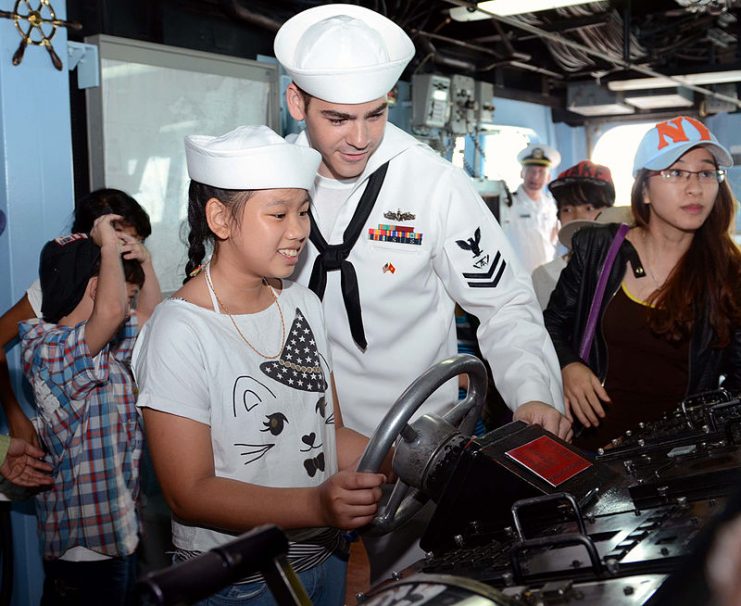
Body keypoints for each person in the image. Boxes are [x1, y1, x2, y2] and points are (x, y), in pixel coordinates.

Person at [274, 3, 570, 581]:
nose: (359, 139)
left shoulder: (433, 184)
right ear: (296, 102)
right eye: (337, 119)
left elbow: (504, 303)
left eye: (375, 116)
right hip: (300, 448)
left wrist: (533, 392)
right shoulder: (270, 179)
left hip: (416, 452)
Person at [132, 125, 387, 606]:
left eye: (304, 211)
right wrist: (314, 504)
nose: (299, 230)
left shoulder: (302, 305)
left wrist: (406, 455)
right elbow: (189, 492)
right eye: (278, 214)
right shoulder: (179, 332)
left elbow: (328, 432)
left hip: (322, 556)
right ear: (220, 220)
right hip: (240, 580)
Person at [544, 116, 741, 452]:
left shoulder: (728, 272)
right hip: (587, 449)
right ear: (645, 189)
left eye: (706, 173)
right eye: (676, 172)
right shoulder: (598, 248)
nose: (695, 188)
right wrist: (568, 365)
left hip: (674, 462)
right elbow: (551, 324)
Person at [19, 215, 151, 605]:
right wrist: (108, 247)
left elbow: (151, 322)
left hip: (119, 537)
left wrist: (144, 262)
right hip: (85, 553)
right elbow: (110, 313)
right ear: (95, 286)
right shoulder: (45, 347)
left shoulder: (104, 352)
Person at [0, 188, 159, 448]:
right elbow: (110, 313)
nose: (128, 254)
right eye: (121, 243)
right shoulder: (56, 289)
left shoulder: (124, 285)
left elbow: (144, 317)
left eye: (136, 243)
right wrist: (14, 413)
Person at [531, 160, 619, 309]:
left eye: (589, 208)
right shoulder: (542, 276)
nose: (578, 217)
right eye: (567, 209)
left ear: (610, 211)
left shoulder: (628, 269)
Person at [500, 143, 561, 272]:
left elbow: (554, 238)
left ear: (548, 177)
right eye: (531, 171)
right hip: (516, 274)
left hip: (546, 274)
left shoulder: (552, 205)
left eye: (541, 172)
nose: (535, 177)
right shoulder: (508, 203)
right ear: (522, 173)